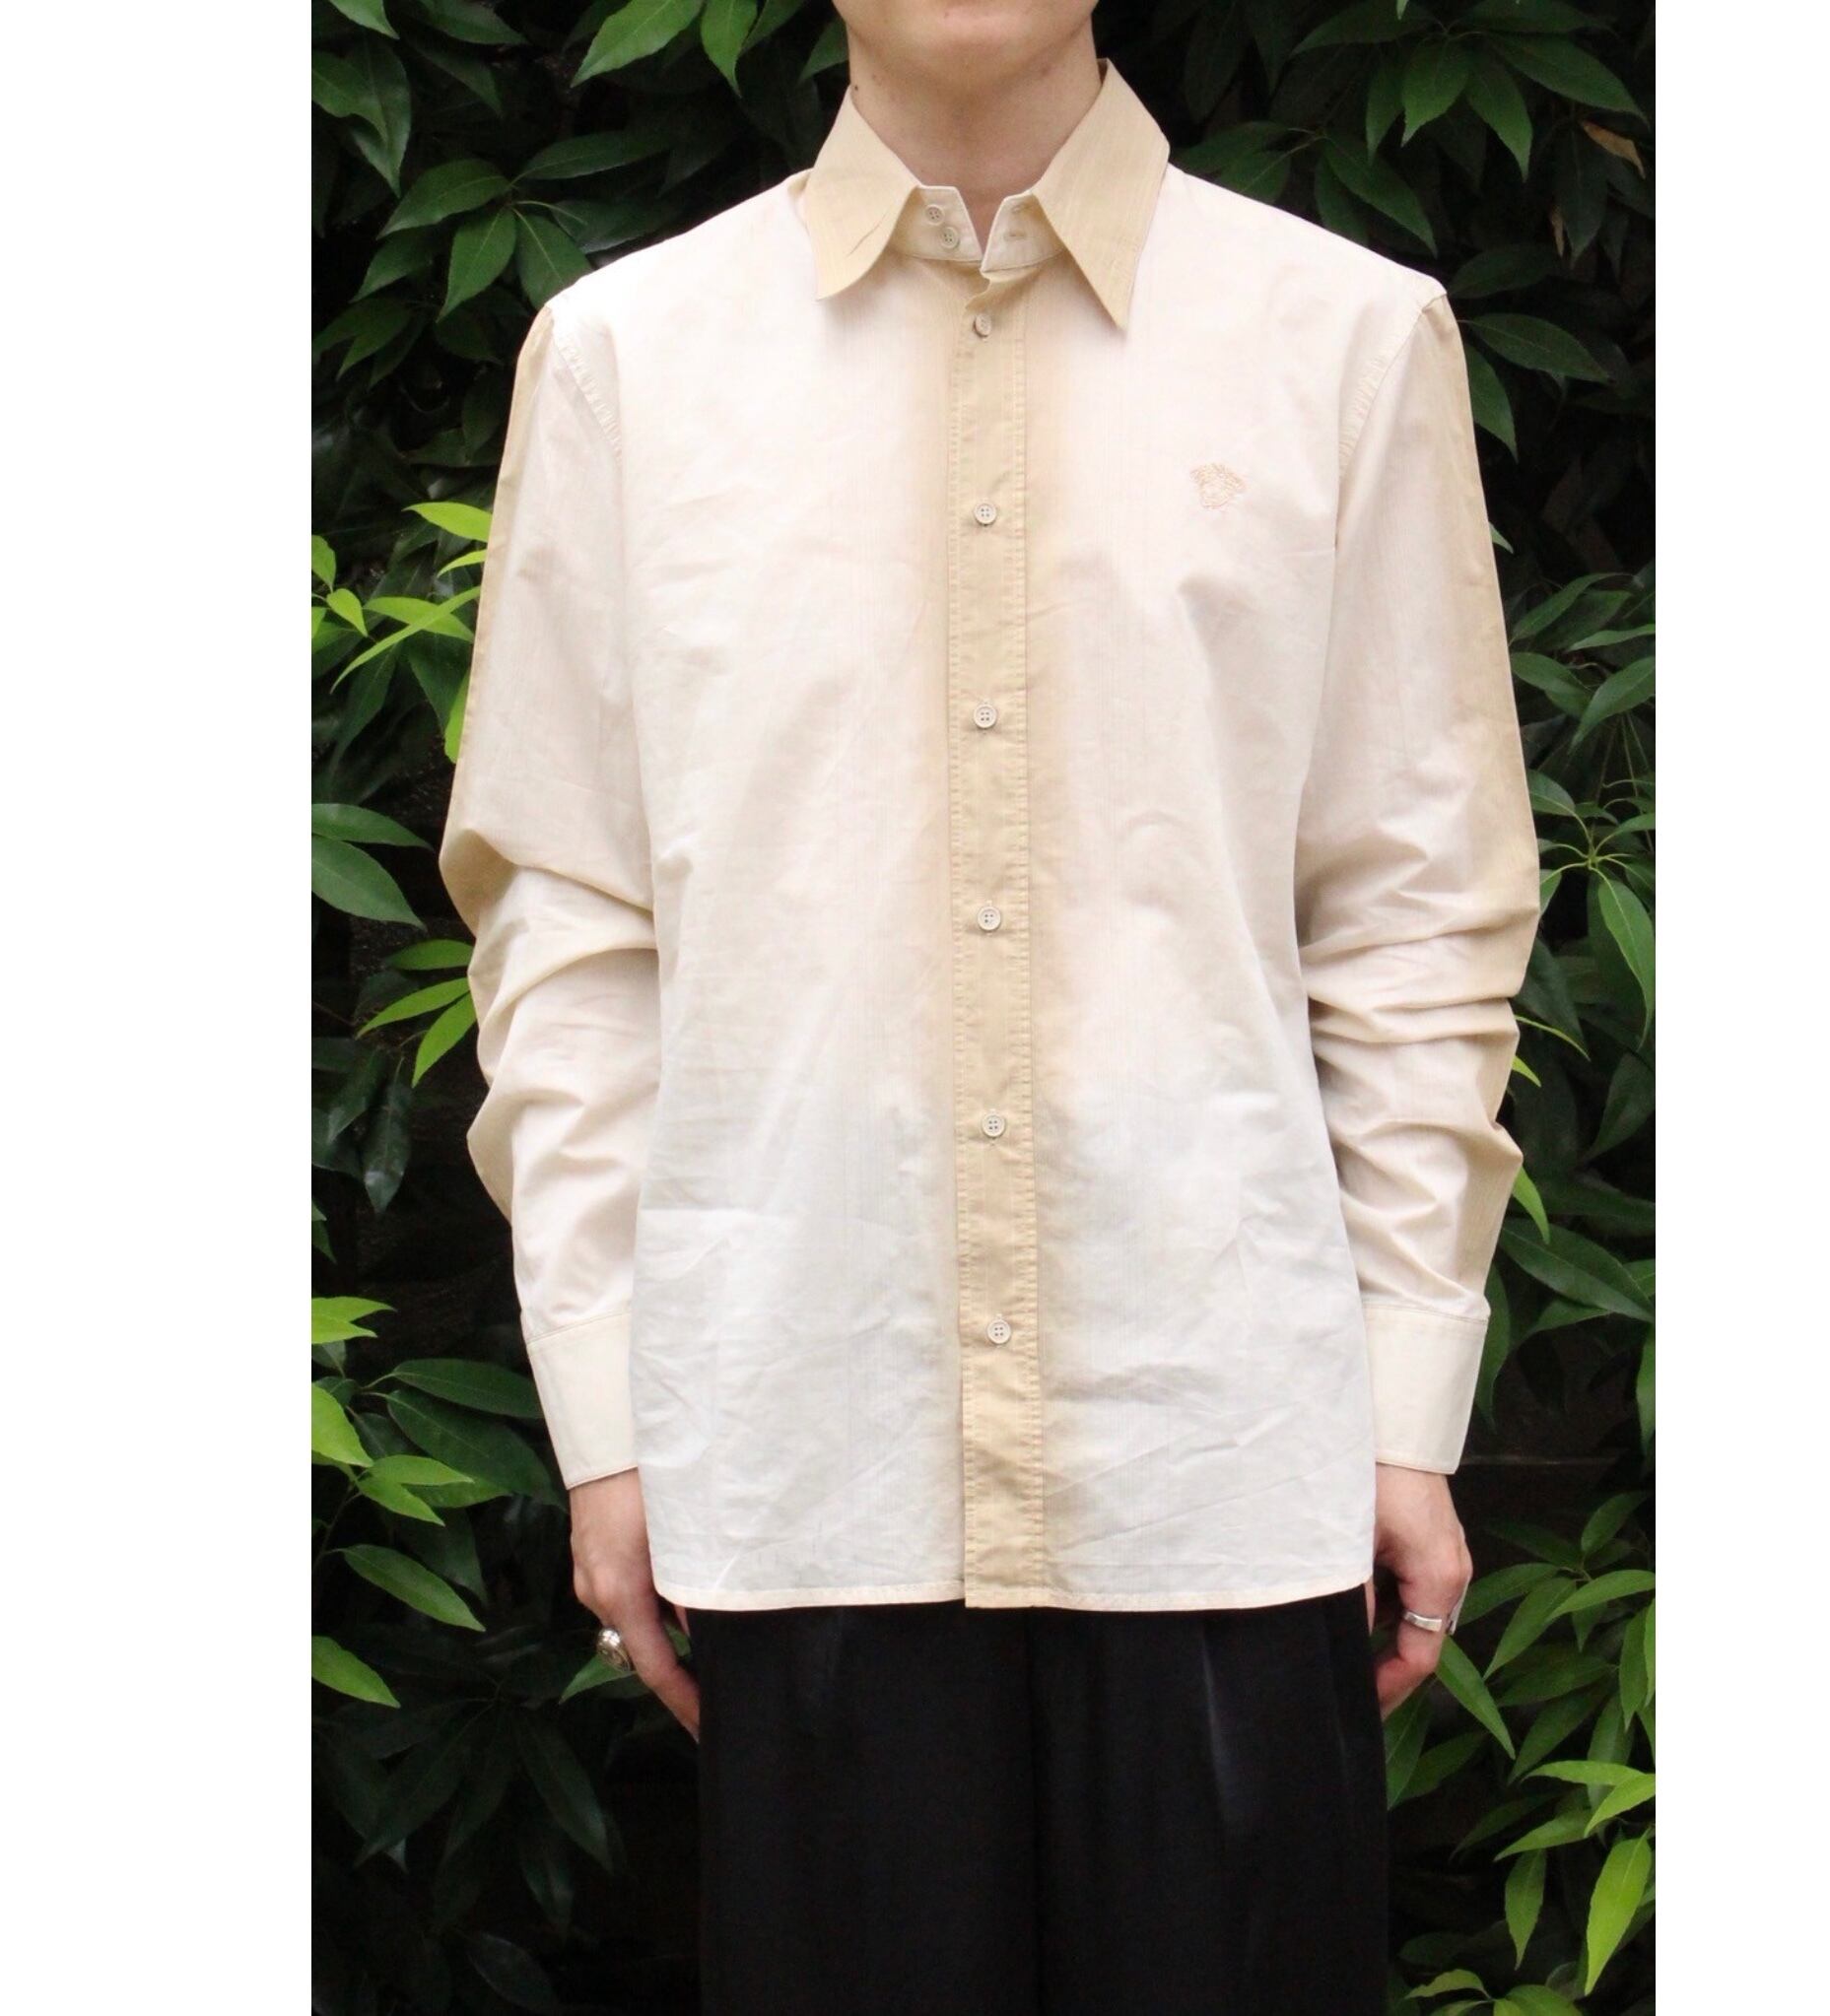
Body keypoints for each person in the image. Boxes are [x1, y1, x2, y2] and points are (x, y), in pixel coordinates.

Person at [439, 2, 1540, 2008]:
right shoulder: (626, 361)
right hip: (803, 1449)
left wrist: (1402, 1396)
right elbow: (572, 930)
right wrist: (606, 1413)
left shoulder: (1345, 341)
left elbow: (1413, 907)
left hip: (1228, 1452)